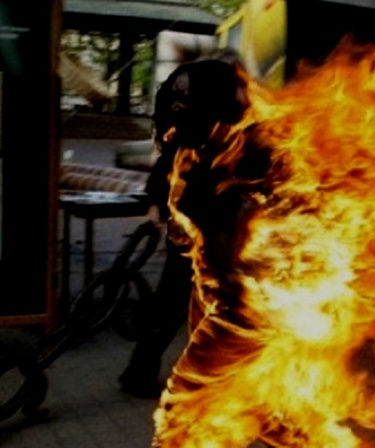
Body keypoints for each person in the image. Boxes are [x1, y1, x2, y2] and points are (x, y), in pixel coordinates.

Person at [118, 50, 249, 398]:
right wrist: (156, 207)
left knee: (207, 305)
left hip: (225, 232)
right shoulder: (194, 131)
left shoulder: (239, 130)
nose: (179, 101)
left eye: (186, 94)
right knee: (175, 302)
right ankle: (142, 373)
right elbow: (166, 168)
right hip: (197, 231)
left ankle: (207, 376)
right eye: (179, 93)